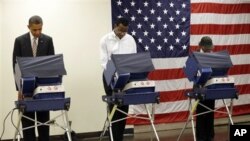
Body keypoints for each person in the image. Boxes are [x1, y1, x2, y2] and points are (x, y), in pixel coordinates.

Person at [12, 15, 55, 141]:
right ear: (28, 27)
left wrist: (50, 87)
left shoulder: (48, 40)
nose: (38, 33)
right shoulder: (19, 41)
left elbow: (51, 65)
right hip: (26, 87)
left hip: (43, 87)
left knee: (43, 122)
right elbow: (16, 66)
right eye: (34, 30)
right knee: (28, 123)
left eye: (40, 29)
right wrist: (19, 89)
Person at [100, 17, 137, 141]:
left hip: (126, 75)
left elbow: (133, 59)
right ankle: (113, 138)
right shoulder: (105, 39)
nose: (122, 33)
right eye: (120, 30)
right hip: (110, 74)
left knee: (124, 108)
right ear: (115, 26)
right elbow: (104, 62)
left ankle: (119, 137)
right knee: (114, 107)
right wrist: (114, 73)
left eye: (125, 31)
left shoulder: (130, 39)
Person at [195, 36, 215, 141]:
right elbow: (192, 74)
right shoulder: (195, 55)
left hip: (211, 86)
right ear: (202, 46)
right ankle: (201, 137)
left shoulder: (212, 55)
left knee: (210, 111)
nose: (209, 49)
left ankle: (210, 136)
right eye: (207, 48)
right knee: (201, 113)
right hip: (199, 87)